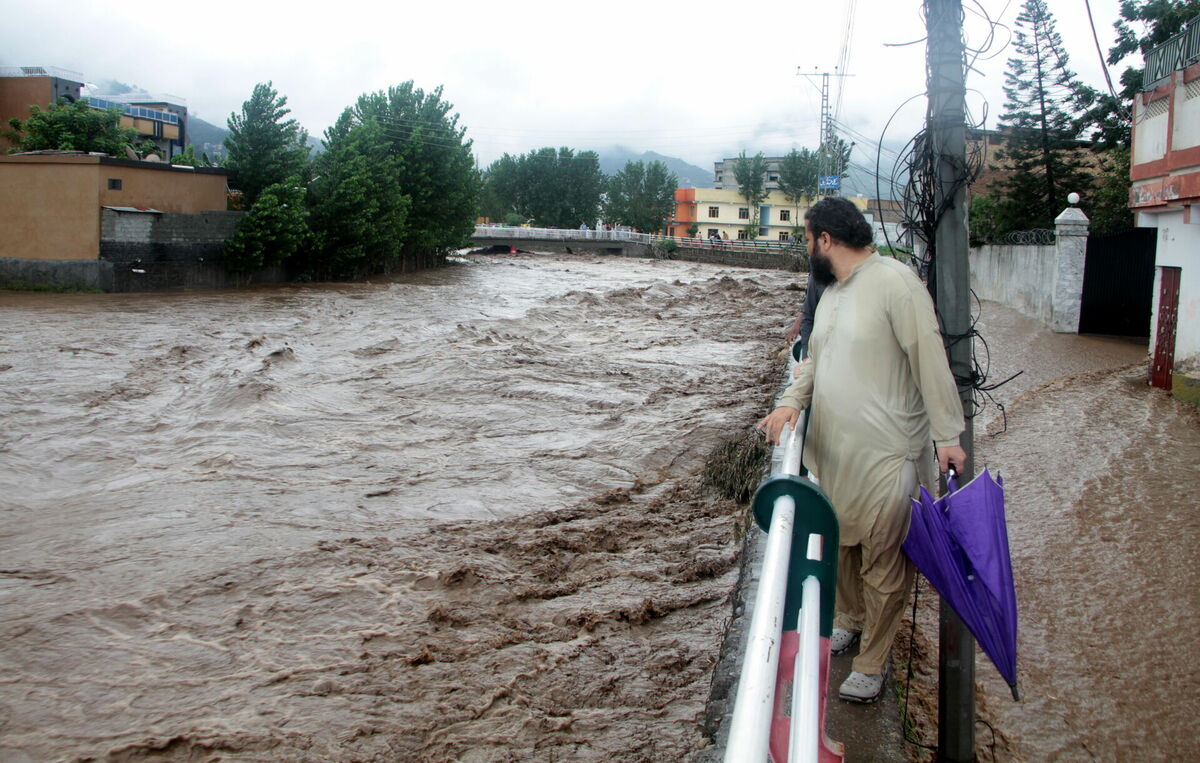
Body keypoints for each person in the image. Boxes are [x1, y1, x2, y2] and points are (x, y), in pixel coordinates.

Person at [757, 197, 967, 703]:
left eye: (807, 239)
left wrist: (948, 436)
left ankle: (873, 661)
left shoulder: (895, 283)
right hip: (836, 452)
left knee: (883, 562)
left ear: (825, 239)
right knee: (844, 548)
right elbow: (812, 364)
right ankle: (848, 620)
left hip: (887, 454)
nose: (805, 248)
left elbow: (929, 357)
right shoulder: (829, 294)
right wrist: (789, 404)